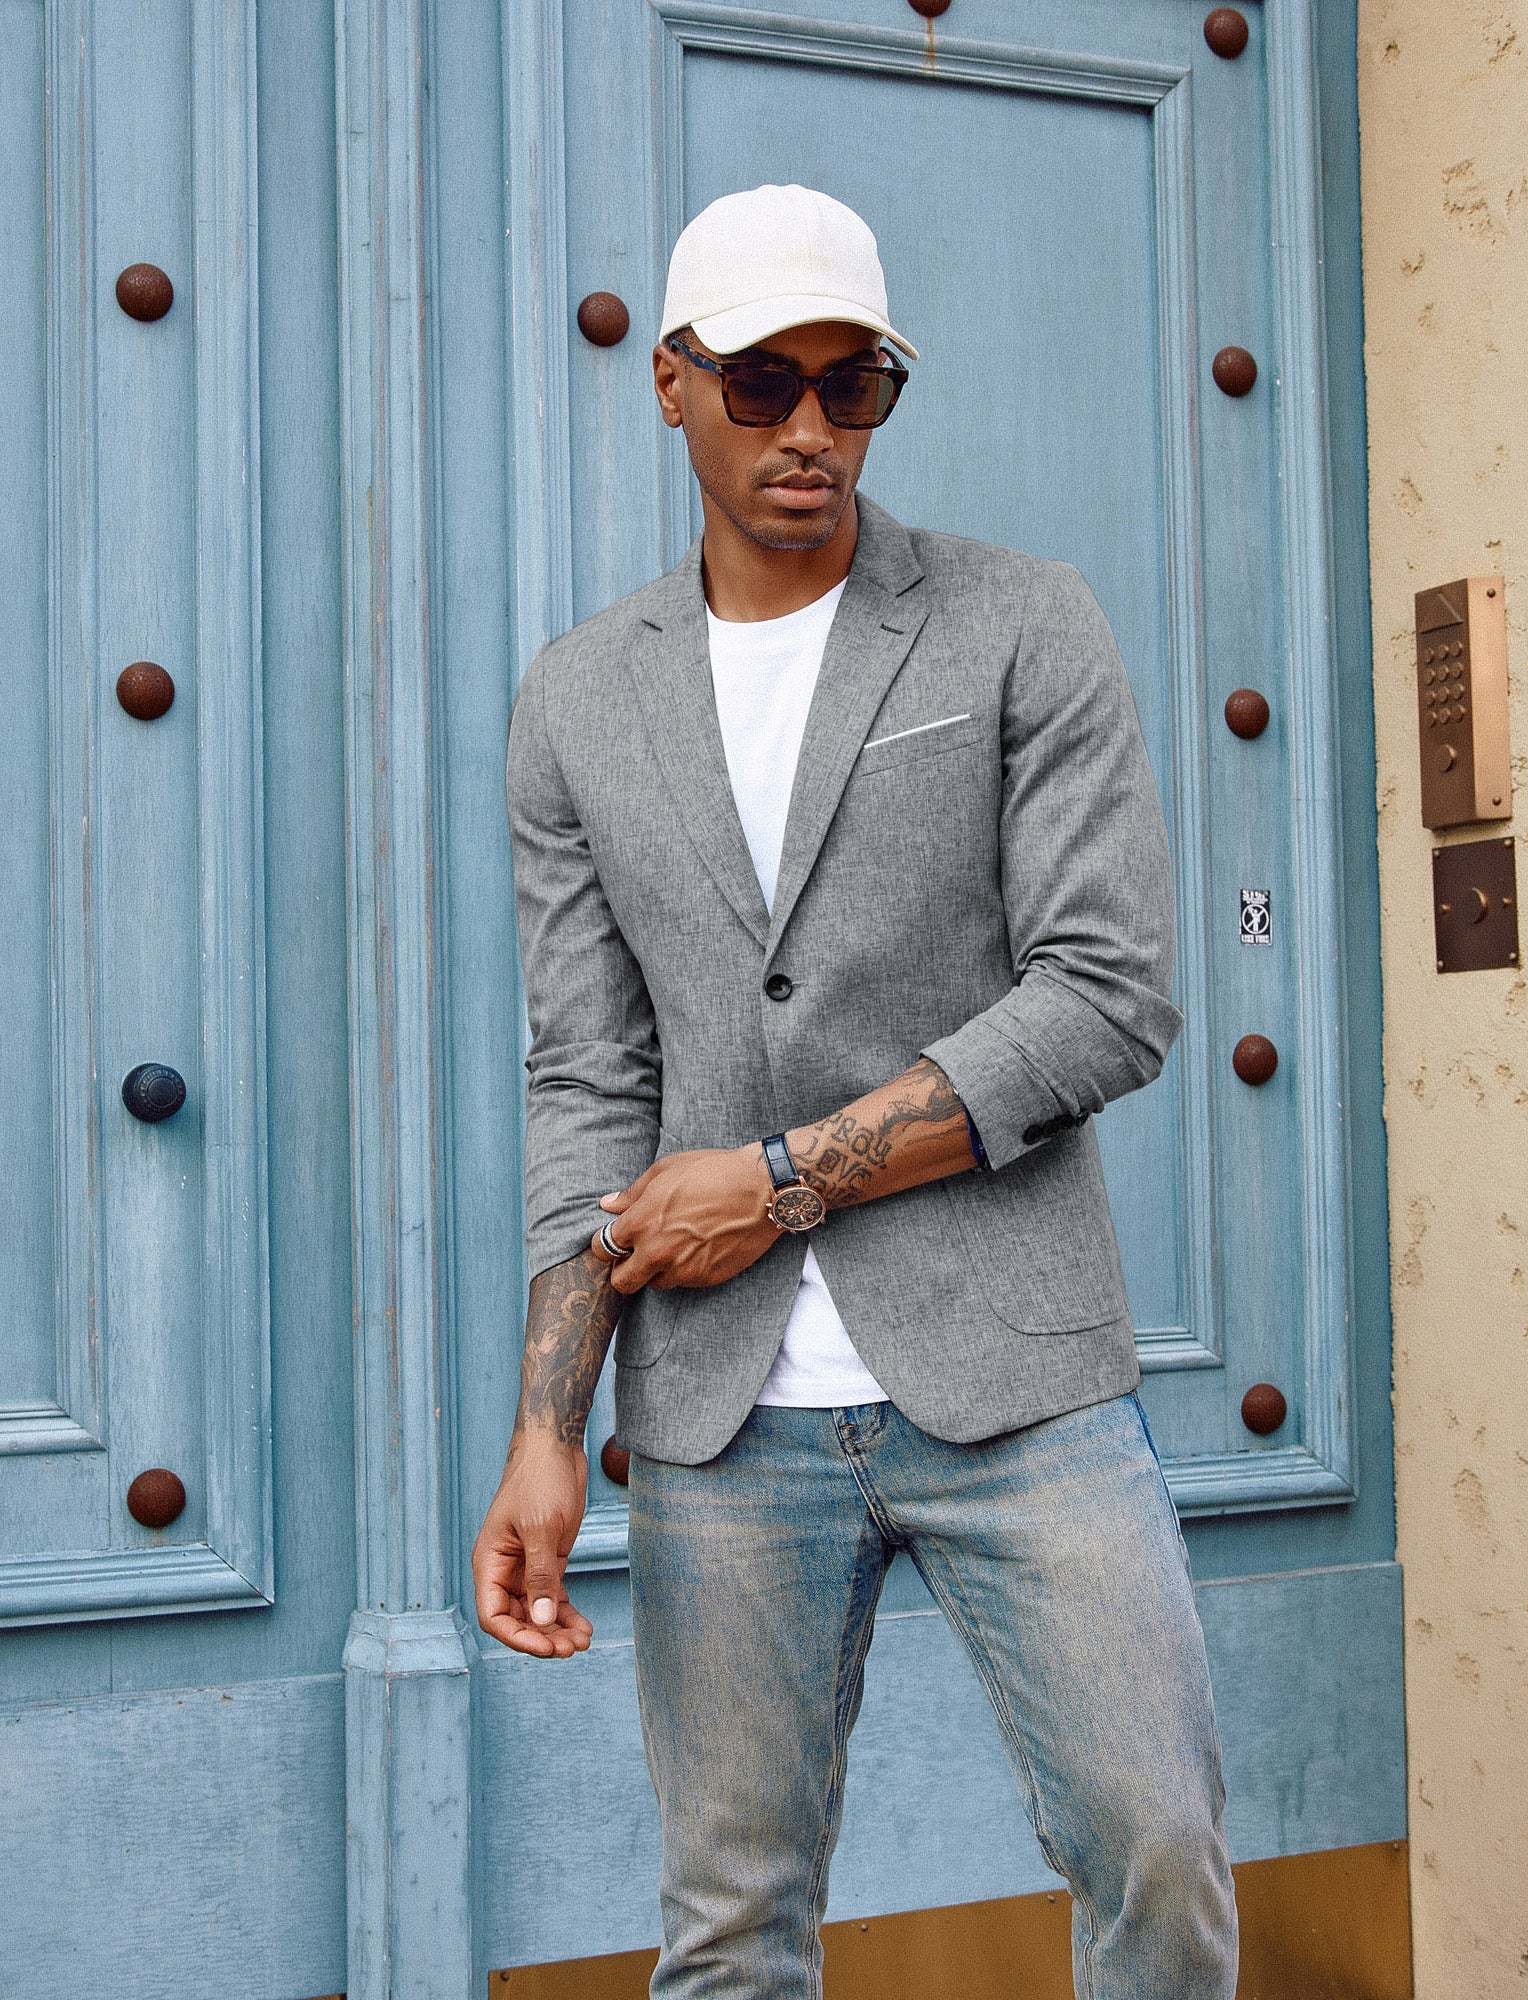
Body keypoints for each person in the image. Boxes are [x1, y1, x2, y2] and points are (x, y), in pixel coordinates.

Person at [473, 182, 1238, 1999]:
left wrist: (784, 1178)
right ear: (672, 383)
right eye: (762, 384)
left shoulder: (1020, 623)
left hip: (1020, 1376)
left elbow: (1108, 995)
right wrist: (547, 1428)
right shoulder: (577, 700)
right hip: (720, 1417)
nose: (810, 428)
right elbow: (592, 1075)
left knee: (1158, 1851)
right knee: (731, 1927)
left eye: (854, 384)